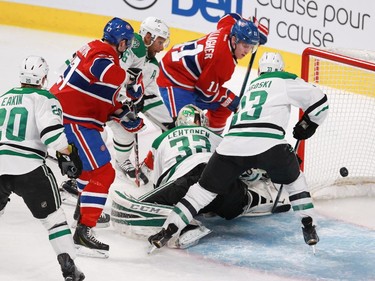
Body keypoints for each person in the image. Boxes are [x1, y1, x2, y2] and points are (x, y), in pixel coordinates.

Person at [148, 52, 329, 250]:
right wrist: (308, 124)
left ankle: (168, 230)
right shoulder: (284, 79)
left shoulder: (251, 88)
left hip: (231, 145)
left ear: (259, 71)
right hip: (270, 144)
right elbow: (320, 101)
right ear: (281, 70)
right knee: (295, 181)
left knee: (201, 191)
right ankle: (308, 225)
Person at [110, 104, 290, 249]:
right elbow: (239, 163)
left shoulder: (162, 138)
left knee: (144, 205)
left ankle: (187, 226)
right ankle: (256, 199)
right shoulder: (215, 135)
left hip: (186, 179)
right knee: (235, 197)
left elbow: (156, 180)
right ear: (202, 123)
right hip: (219, 181)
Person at [50, 17, 143, 258]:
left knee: (88, 172)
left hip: (69, 116)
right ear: (122, 42)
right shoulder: (101, 53)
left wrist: (124, 113)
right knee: (105, 173)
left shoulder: (93, 49)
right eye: (127, 43)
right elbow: (104, 72)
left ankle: (84, 212)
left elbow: (102, 96)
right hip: (74, 120)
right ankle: (84, 231)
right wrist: (130, 80)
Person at [0, 55, 85, 281]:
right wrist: (68, 153)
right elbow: (53, 136)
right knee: (54, 219)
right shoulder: (45, 98)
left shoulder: (3, 98)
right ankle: (68, 267)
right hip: (28, 167)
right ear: (44, 78)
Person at [157, 13, 268, 134]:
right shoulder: (222, 61)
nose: (247, 51)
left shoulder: (229, 28)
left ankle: (212, 140)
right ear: (235, 40)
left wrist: (253, 27)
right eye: (245, 46)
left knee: (224, 107)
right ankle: (156, 153)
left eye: (252, 46)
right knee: (183, 131)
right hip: (175, 79)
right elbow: (205, 93)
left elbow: (228, 17)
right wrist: (229, 97)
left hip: (191, 74)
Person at [107, 16, 174, 185]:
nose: (161, 48)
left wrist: (168, 123)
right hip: (106, 96)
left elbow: (148, 95)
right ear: (148, 36)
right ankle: (120, 163)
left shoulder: (152, 65)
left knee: (172, 128)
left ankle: (152, 165)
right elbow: (115, 75)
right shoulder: (134, 45)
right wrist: (125, 99)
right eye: (160, 42)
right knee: (122, 131)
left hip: (121, 99)